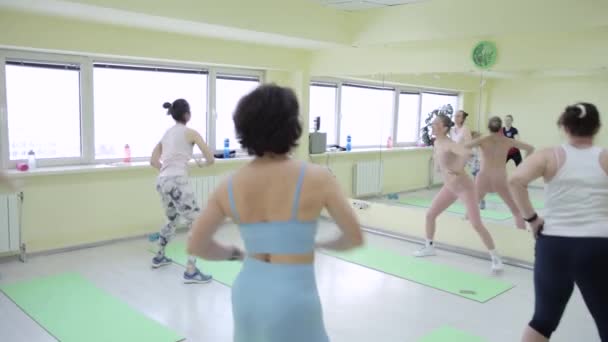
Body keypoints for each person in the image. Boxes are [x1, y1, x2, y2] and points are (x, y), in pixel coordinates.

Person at [187, 84, 363, 342]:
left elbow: (197, 245)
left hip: (247, 292)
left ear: (243, 129)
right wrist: (321, 244)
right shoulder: (318, 178)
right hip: (293, 298)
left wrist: (235, 253)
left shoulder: (230, 184)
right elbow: (353, 237)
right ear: (292, 126)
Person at [509, 103, 608, 342]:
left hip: (554, 246)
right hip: (598, 247)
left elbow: (515, 181)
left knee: (543, 320)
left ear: (564, 126)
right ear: (597, 127)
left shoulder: (548, 155)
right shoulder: (605, 157)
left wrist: (532, 219)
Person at [414, 114, 503, 272]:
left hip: (464, 188)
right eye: (433, 123)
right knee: (430, 215)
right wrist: (440, 166)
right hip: (449, 187)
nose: (432, 126)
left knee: (476, 223)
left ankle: (495, 257)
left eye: (436, 123)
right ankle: (429, 247)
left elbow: (468, 153)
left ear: (445, 128)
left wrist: (457, 168)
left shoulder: (449, 144)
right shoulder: (437, 142)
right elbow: (440, 158)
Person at [150, 99, 215, 284]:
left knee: (171, 219)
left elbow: (154, 161)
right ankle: (191, 271)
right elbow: (210, 158)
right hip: (178, 180)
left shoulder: (166, 135)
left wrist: (168, 173)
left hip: (162, 181)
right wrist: (202, 164)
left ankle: (159, 256)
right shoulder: (191, 133)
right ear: (187, 115)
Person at [466, 117, 535, 229]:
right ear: (500, 127)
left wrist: (468, 158)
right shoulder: (508, 140)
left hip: (484, 178)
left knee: (472, 208)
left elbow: (463, 147)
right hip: (500, 179)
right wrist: (522, 166)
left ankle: (464, 231)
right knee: (516, 212)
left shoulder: (483, 140)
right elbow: (531, 148)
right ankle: (521, 236)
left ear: (488, 127)